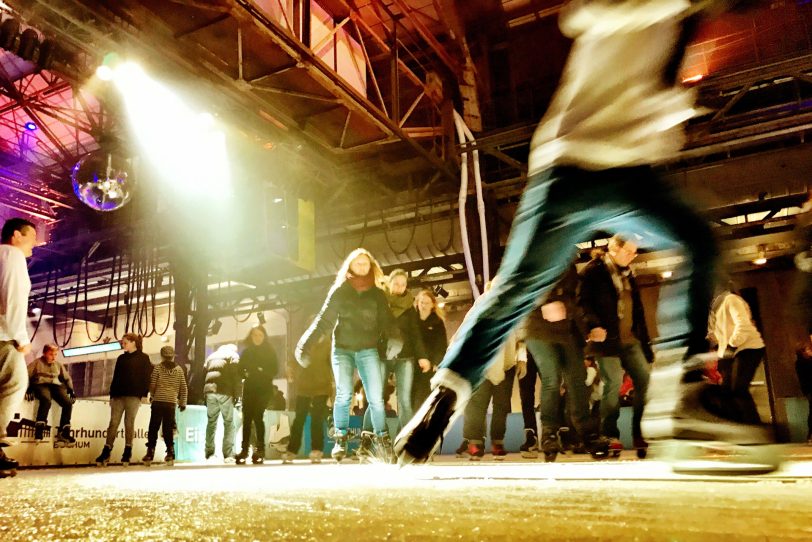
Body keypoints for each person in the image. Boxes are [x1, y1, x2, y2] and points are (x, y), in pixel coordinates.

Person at [395, 1, 755, 467]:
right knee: (515, 289)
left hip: (622, 171)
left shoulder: (680, 27)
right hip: (571, 163)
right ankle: (441, 403)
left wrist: (674, 110)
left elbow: (649, 101)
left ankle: (680, 395)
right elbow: (583, 15)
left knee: (699, 243)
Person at [295, 248, 401, 463]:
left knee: (375, 398)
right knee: (343, 395)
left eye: (365, 263)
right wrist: (306, 343)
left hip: (367, 349)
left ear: (371, 267)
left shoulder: (377, 294)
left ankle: (382, 438)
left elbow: (387, 321)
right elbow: (324, 320)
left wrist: (395, 337)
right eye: (358, 263)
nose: (362, 267)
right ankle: (340, 438)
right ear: (350, 266)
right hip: (342, 349)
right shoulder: (340, 291)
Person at [578, 235, 652, 457]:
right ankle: (609, 434)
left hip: (630, 339)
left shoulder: (629, 274)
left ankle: (640, 433)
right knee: (613, 381)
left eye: (635, 253)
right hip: (606, 340)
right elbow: (583, 303)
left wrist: (645, 344)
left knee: (645, 381)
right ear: (614, 248)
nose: (633, 256)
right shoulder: (593, 271)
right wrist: (593, 326)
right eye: (629, 251)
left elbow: (638, 311)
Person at [528, 265, 610, 461]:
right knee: (552, 378)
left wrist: (589, 326)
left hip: (567, 329)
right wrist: (544, 302)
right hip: (538, 327)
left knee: (577, 378)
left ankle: (588, 434)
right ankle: (548, 434)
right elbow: (522, 285)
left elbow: (577, 298)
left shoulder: (569, 262)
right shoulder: (535, 252)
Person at [357, 269, 429, 459]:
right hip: (381, 355)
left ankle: (404, 444)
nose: (399, 287)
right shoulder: (380, 302)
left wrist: (422, 356)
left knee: (404, 401)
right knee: (376, 398)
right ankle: (366, 441)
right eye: (396, 283)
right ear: (389, 283)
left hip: (405, 357)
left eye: (403, 284)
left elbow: (415, 334)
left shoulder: (409, 307)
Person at [0, 218, 36, 477]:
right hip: (4, 336)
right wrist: (21, 338)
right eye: (31, 236)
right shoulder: (12, 256)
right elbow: (12, 300)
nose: (36, 243)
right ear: (16, 235)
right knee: (15, 383)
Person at [706, 286, 765, 425]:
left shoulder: (731, 300)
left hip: (747, 347)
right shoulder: (713, 310)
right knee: (725, 393)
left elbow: (743, 325)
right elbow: (714, 335)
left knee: (738, 389)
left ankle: (754, 426)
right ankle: (738, 426)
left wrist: (732, 343)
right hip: (727, 352)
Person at [95, 333, 153, 466]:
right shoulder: (121, 358)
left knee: (129, 422)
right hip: (118, 395)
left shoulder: (144, 358)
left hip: (134, 395)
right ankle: (107, 449)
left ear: (133, 342)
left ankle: (128, 450)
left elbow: (146, 377)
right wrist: (112, 395)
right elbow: (116, 377)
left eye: (125, 342)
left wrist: (144, 394)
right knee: (113, 422)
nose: (123, 344)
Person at [283, 322, 332, 464]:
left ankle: (317, 450)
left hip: (321, 387)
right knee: (299, 419)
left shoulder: (327, 344)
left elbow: (332, 363)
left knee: (316, 419)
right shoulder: (303, 342)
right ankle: (291, 450)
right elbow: (293, 359)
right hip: (304, 386)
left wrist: (333, 386)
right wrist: (290, 369)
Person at [236, 325, 278, 465]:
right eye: (254, 335)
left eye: (260, 335)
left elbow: (275, 369)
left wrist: (261, 371)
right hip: (249, 388)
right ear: (251, 336)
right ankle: (244, 449)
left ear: (264, 336)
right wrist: (245, 373)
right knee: (247, 419)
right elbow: (240, 368)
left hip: (264, 389)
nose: (257, 338)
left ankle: (260, 449)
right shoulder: (247, 351)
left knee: (258, 417)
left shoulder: (270, 352)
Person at [142, 346, 188, 466]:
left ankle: (150, 452)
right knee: (168, 429)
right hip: (171, 403)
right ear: (173, 356)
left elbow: (152, 384)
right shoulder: (179, 370)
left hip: (158, 402)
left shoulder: (158, 368)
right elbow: (184, 388)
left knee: (154, 427)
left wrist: (153, 394)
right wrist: (182, 402)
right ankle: (170, 453)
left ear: (162, 356)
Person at [26, 344, 76, 443]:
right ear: (44, 353)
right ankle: (39, 430)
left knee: (68, 403)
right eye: (51, 354)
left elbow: (67, 378)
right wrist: (28, 388)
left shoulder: (58, 365)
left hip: (55, 386)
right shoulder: (36, 363)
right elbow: (26, 375)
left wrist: (71, 390)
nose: (53, 357)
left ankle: (64, 432)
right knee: (46, 399)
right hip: (40, 384)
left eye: (55, 354)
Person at [203, 343, 240, 463]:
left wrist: (204, 393)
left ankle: (209, 453)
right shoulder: (233, 355)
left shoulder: (211, 356)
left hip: (209, 391)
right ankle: (228, 454)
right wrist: (238, 395)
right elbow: (236, 376)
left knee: (211, 422)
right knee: (229, 422)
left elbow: (203, 374)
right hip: (225, 391)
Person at [413, 289, 448, 408]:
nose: (423, 305)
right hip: (413, 362)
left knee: (426, 394)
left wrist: (436, 362)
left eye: (427, 303)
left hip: (431, 364)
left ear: (433, 304)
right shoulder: (412, 319)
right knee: (412, 395)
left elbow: (442, 344)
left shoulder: (437, 322)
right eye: (421, 302)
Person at [795, 340, 812, 445]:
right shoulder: (802, 363)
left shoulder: (802, 362)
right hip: (810, 390)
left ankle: (810, 436)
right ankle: (810, 435)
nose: (810, 351)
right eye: (808, 350)